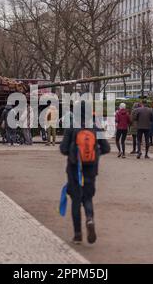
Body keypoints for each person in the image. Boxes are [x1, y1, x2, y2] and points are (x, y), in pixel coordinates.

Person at [60, 102, 111, 244]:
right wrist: (96, 153)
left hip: (74, 169)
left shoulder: (71, 128)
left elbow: (63, 149)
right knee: (87, 198)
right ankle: (89, 218)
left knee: (76, 200)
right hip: (91, 169)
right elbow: (106, 148)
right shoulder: (95, 128)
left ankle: (77, 235)